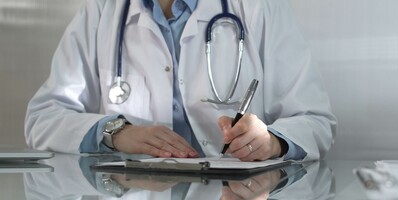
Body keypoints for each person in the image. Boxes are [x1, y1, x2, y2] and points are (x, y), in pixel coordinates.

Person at [25, 0, 336, 162]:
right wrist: (115, 133)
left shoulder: (257, 6)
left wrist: (271, 142)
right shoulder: (102, 12)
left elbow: (315, 121)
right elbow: (43, 118)